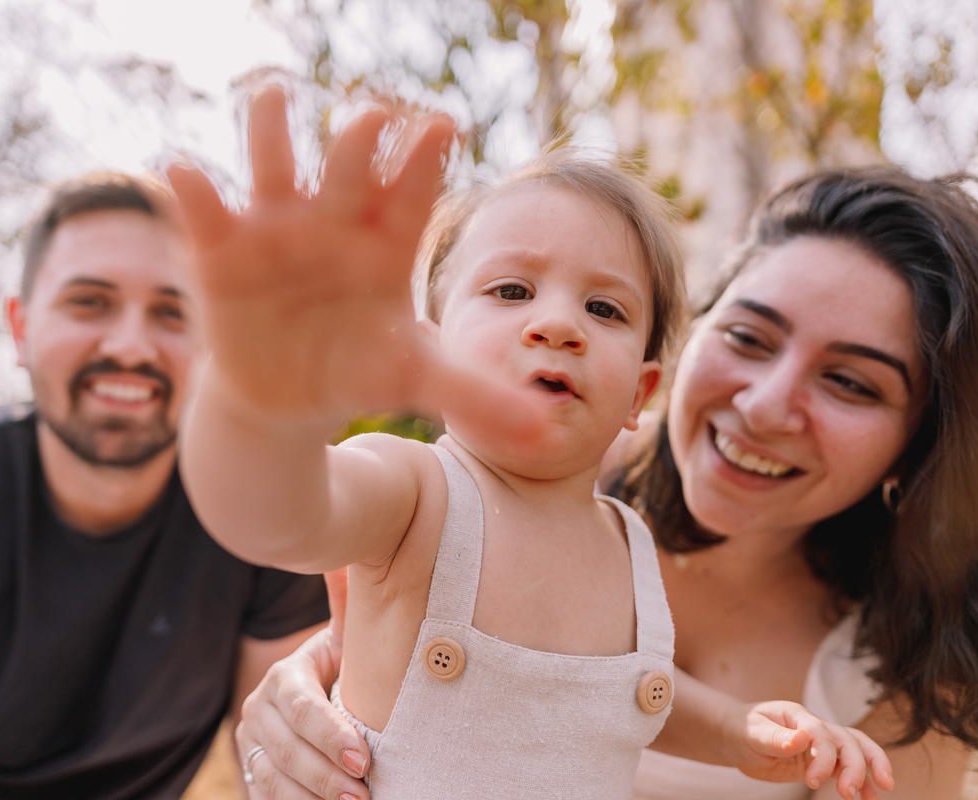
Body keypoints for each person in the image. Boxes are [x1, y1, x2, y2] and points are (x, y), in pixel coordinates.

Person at [167, 88, 892, 799]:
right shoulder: (415, 490)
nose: (558, 324)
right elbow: (272, 514)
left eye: (603, 307)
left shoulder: (628, 543)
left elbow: (634, 694)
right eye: (512, 291)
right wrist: (255, 401)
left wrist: (737, 731)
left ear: (640, 395)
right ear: (427, 354)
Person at [234, 166, 978, 800]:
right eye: (750, 337)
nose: (765, 406)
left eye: (853, 383)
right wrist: (306, 693)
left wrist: (741, 736)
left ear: (921, 447)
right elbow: (301, 524)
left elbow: (633, 689)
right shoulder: (466, 484)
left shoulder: (909, 668)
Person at [0, 172, 331, 799]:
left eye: (172, 312)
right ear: (20, 329)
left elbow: (282, 769)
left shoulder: (266, 509)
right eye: (89, 302)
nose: (130, 345)